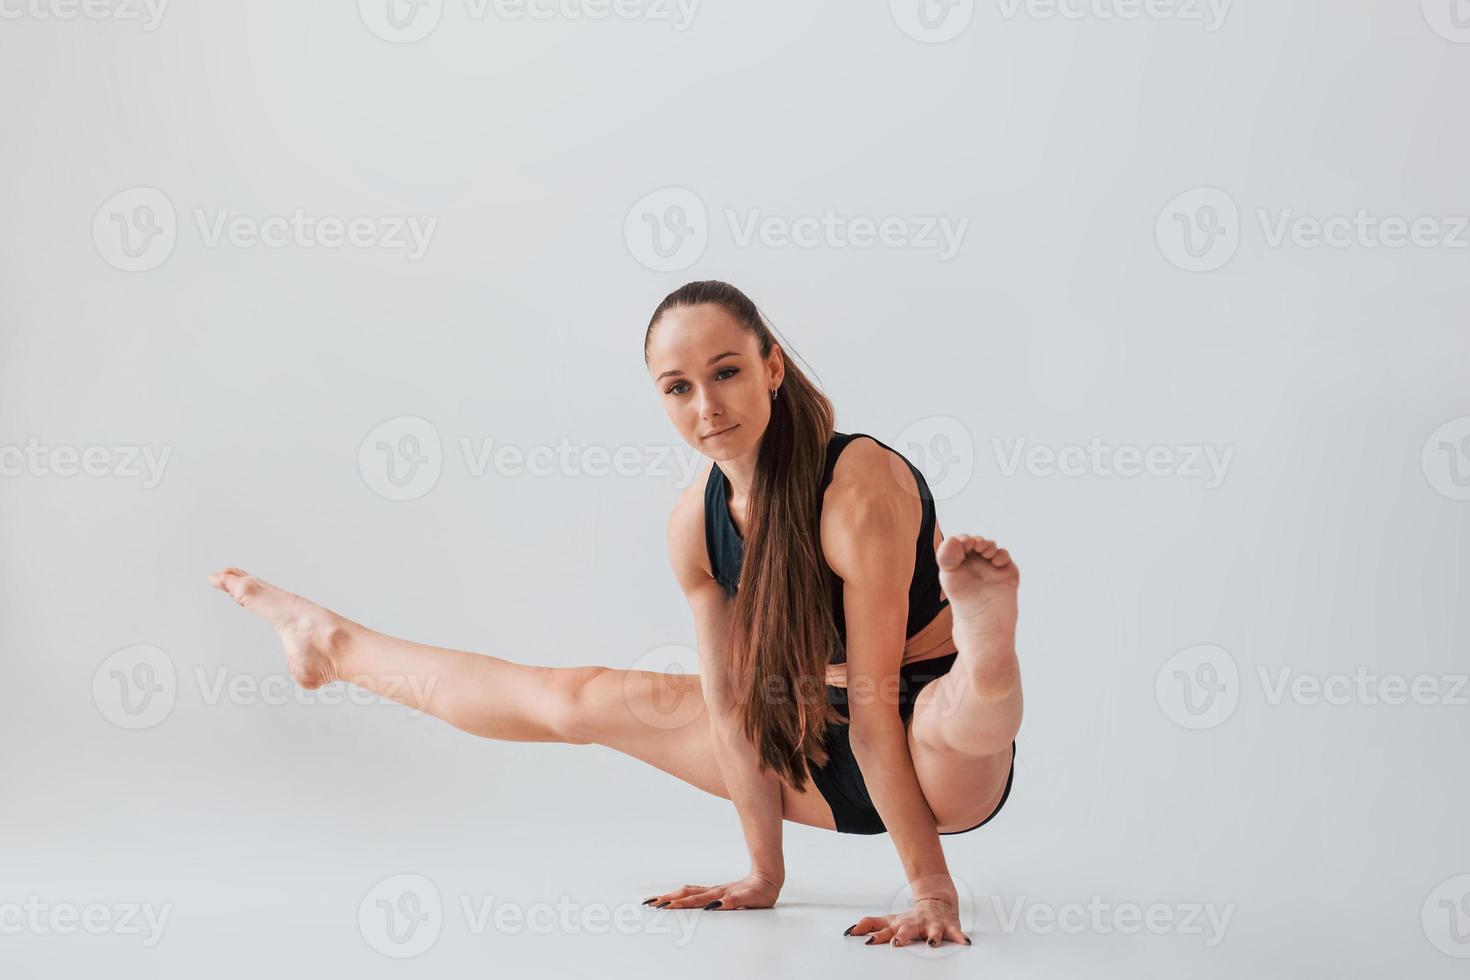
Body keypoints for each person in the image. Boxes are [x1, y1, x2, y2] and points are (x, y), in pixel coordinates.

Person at [208, 279, 1023, 949]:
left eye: (727, 371)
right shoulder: (693, 525)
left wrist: (930, 891)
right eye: (679, 388)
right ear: (661, 398)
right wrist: (764, 875)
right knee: (577, 695)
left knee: (954, 718)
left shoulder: (858, 488)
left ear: (773, 368)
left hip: (926, 755)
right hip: (809, 738)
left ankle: (988, 648)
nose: (707, 405)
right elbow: (731, 707)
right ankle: (336, 646)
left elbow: (879, 708)